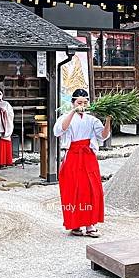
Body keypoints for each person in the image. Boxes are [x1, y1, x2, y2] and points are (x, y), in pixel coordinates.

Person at [53, 89, 111, 237]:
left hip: (88, 156)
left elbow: (103, 136)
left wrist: (109, 120)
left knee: (91, 189)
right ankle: (75, 224)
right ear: (73, 103)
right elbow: (59, 130)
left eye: (85, 102)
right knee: (73, 190)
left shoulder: (92, 120)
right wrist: (73, 112)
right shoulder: (65, 117)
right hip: (72, 155)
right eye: (79, 102)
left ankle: (90, 225)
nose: (82, 105)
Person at [0, 88, 14, 169]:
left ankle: (3, 162)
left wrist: (5, 112)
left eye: (0, 94)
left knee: (3, 144)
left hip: (4, 128)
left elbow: (11, 114)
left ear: (3, 95)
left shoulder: (6, 104)